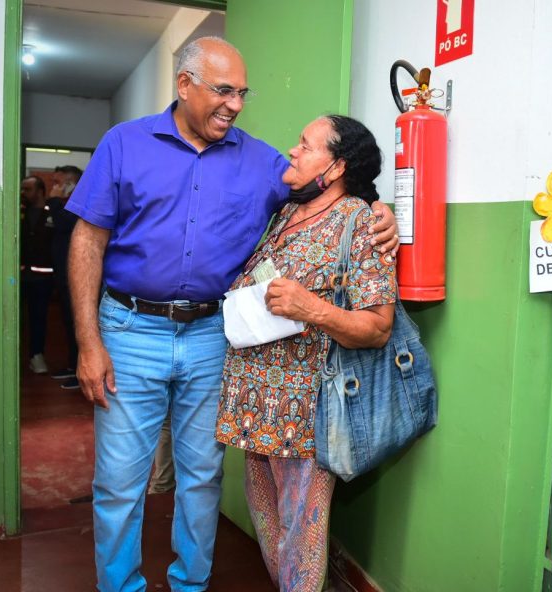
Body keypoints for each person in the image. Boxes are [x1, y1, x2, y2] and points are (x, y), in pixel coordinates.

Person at [65, 36, 397, 592]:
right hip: (128, 330)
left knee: (202, 478)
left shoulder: (262, 161)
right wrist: (88, 342)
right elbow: (87, 242)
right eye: (223, 90)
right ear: (185, 84)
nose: (235, 104)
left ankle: (189, 584)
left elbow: (329, 184)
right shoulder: (124, 144)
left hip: (210, 339)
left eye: (242, 93)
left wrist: (379, 206)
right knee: (121, 482)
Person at [216, 115, 396, 591]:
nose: (292, 151)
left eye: (305, 144)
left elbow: (378, 327)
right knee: (271, 526)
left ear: (335, 167)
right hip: (256, 405)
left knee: (303, 533)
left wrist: (313, 308)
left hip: (306, 412)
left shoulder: (359, 222)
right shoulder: (287, 212)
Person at [47, 165, 82, 389]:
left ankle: (80, 372)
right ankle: (73, 365)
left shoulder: (78, 201)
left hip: (76, 272)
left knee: (78, 319)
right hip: (62, 269)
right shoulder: (65, 202)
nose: (55, 187)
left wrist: (54, 200)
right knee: (69, 320)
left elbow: (63, 222)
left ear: (70, 183)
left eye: (58, 183)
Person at [20, 175, 55, 374]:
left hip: (42, 279)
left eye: (28, 189)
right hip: (19, 277)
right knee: (17, 319)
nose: (24, 193)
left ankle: (36, 355)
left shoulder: (52, 213)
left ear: (40, 191)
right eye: (23, 189)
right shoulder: (18, 211)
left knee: (38, 318)